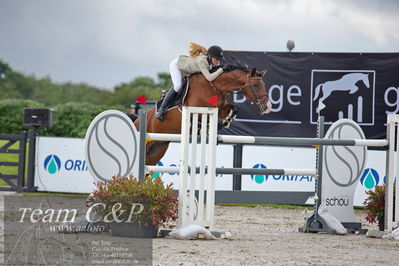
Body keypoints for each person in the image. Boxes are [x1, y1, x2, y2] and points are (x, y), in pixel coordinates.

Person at [155, 43, 224, 121]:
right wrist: (222, 70)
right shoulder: (202, 61)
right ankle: (161, 110)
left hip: (187, 69)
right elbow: (209, 78)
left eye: (219, 60)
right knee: (178, 86)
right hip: (177, 66)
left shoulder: (209, 62)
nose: (218, 62)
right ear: (210, 57)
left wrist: (221, 68)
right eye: (217, 59)